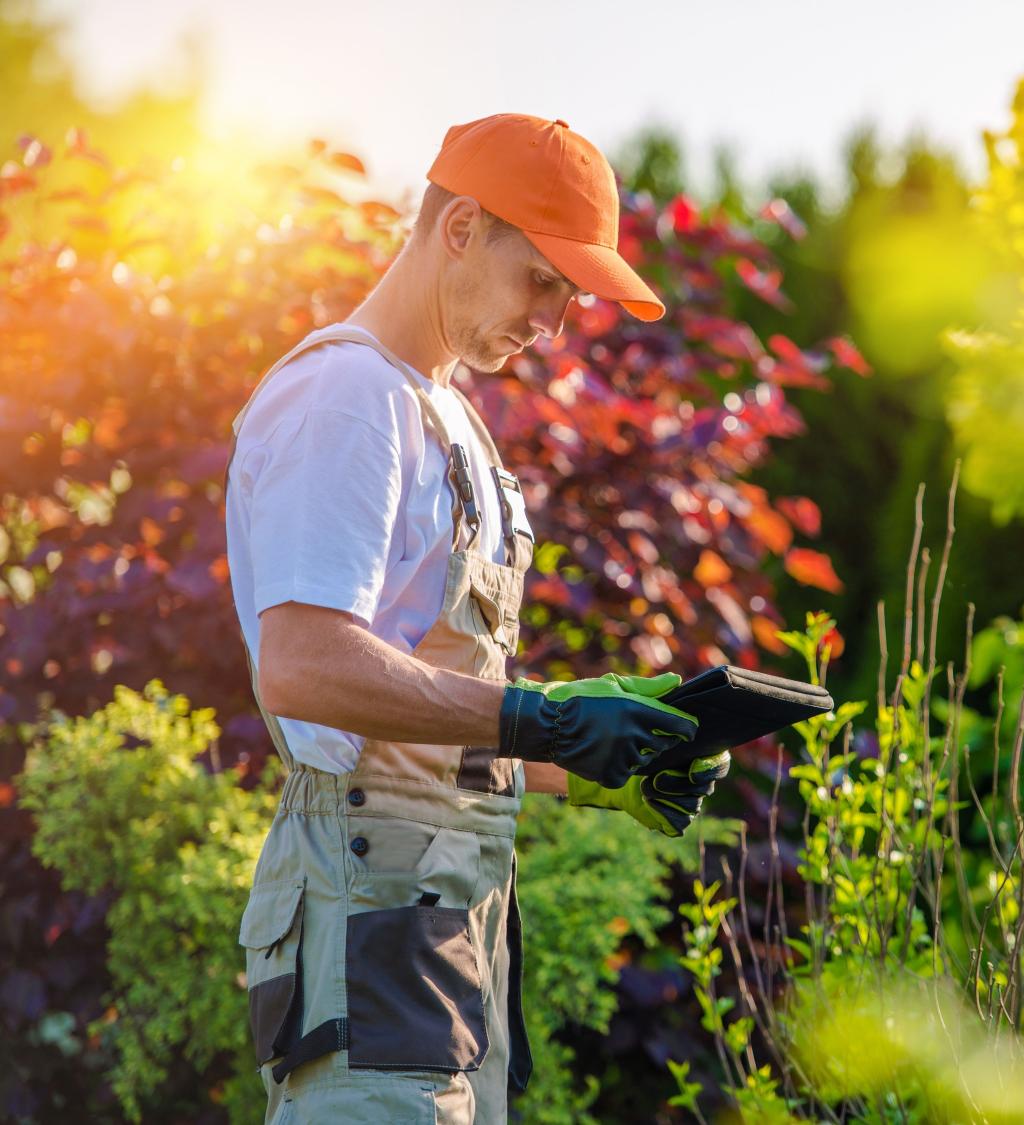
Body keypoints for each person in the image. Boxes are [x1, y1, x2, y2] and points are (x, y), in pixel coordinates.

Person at [223, 112, 731, 1124]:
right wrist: (539, 717)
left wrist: (593, 755)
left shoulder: (446, 415)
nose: (553, 319)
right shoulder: (347, 397)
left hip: (448, 928)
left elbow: (440, 712)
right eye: (542, 278)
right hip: (364, 914)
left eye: (569, 294)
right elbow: (304, 665)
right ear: (459, 228)